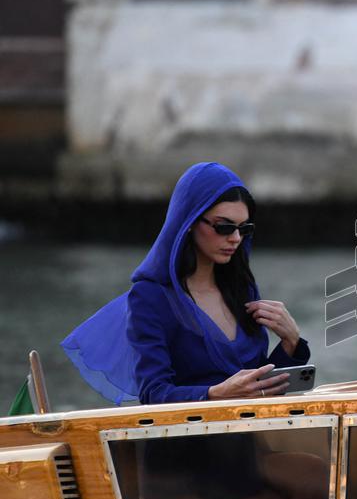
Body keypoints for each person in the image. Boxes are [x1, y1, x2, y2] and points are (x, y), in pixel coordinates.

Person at [62, 161, 310, 404]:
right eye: (224, 227)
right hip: (183, 441)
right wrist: (213, 394)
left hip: (245, 438)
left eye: (244, 228)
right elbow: (153, 392)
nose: (235, 238)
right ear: (189, 222)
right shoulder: (150, 296)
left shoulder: (242, 289)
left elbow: (256, 390)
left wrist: (291, 343)